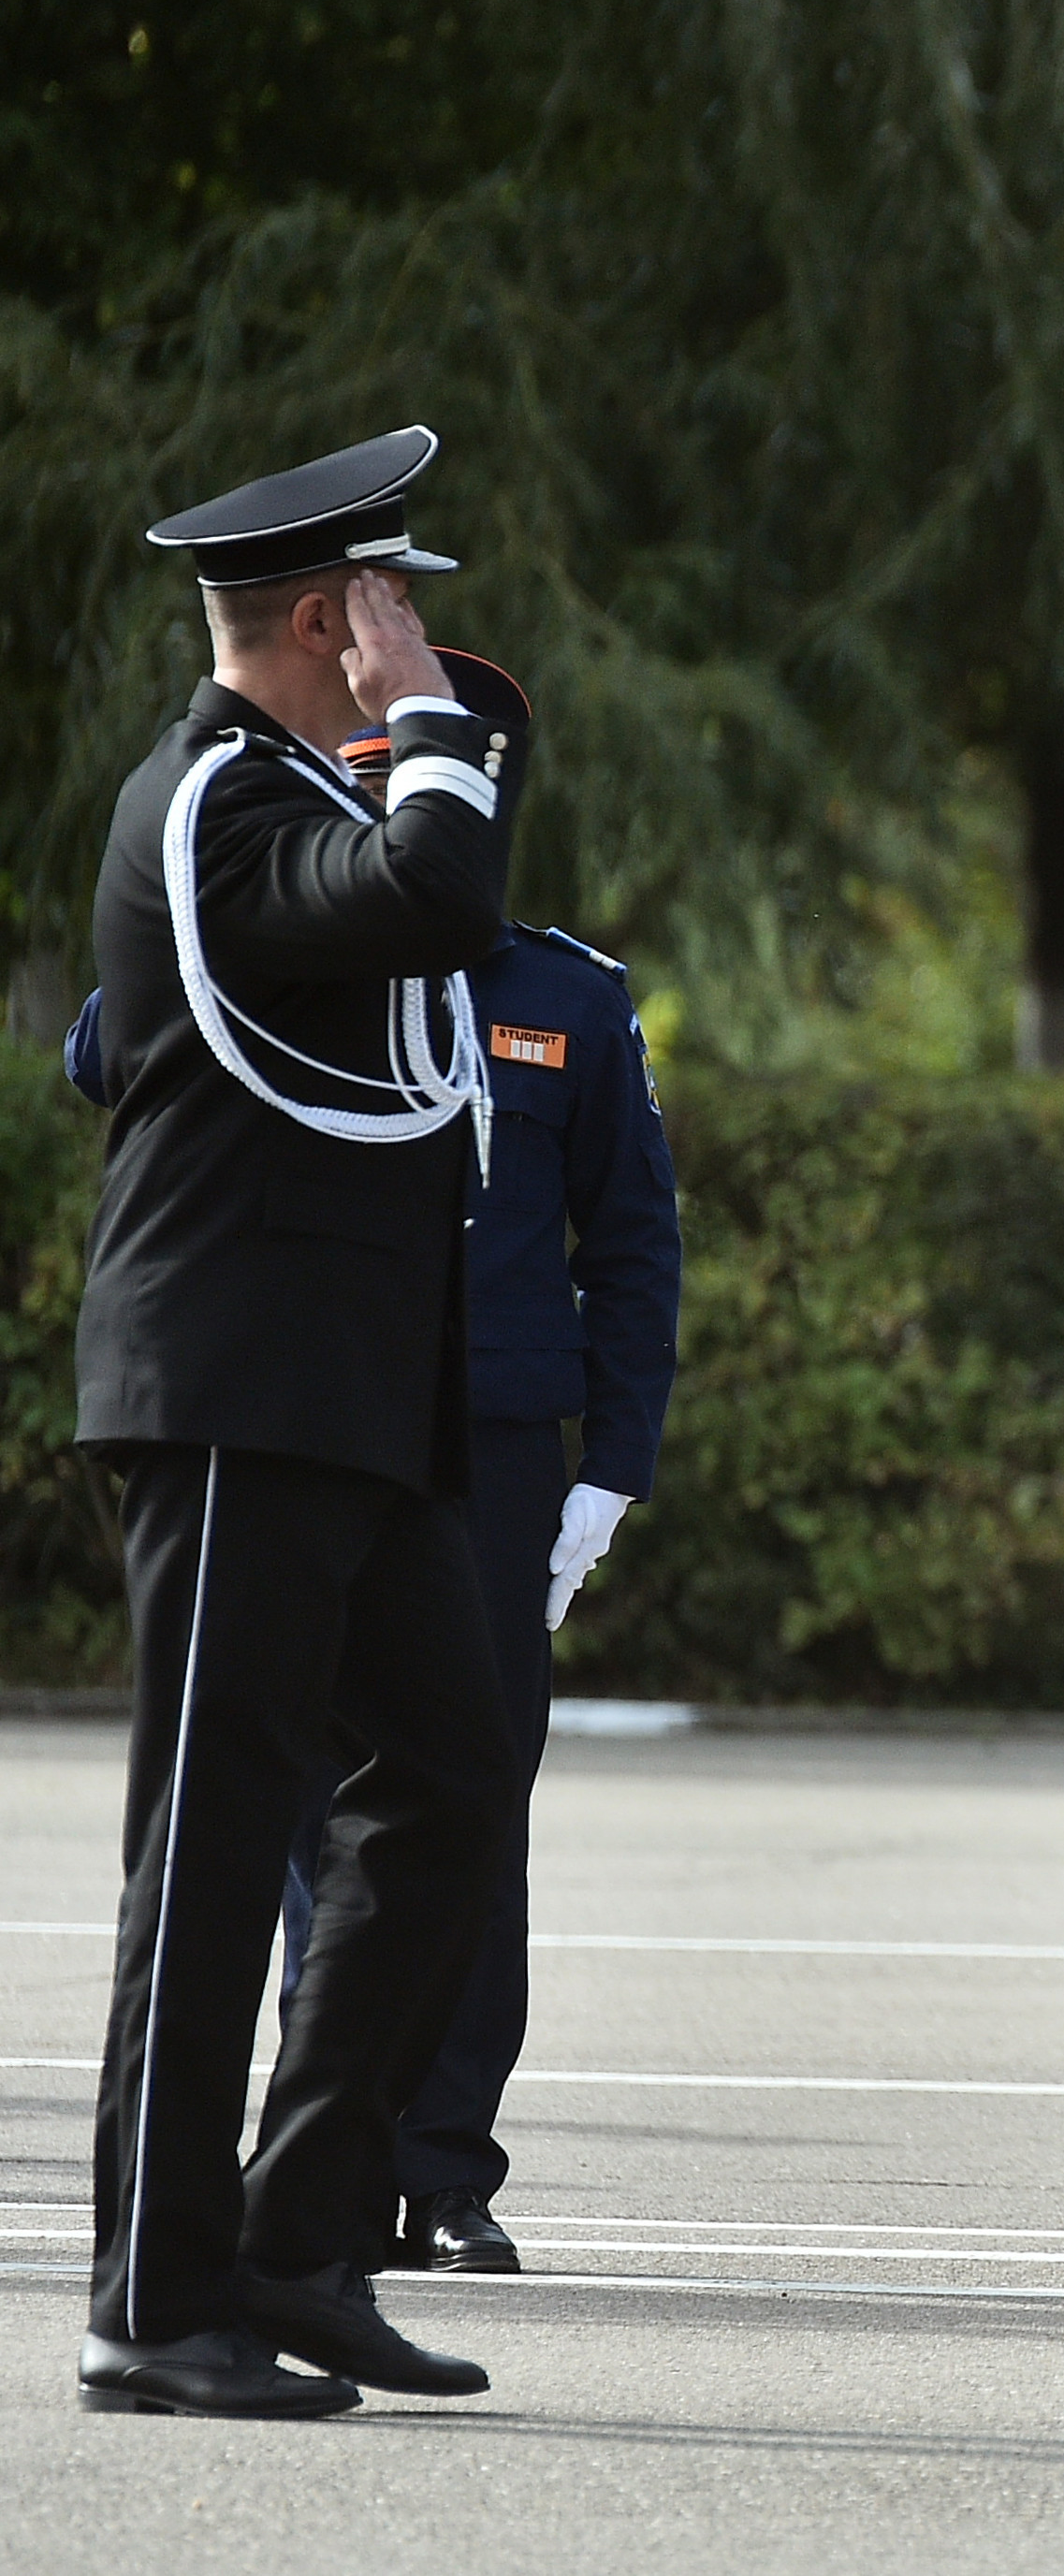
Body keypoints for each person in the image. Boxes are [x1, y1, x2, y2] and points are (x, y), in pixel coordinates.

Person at [64, 722, 682, 2285]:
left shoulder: (565, 993)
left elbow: (630, 1241)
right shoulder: (275, 920)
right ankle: (310, 2167)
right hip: (314, 1412)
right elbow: (103, 1048)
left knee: (463, 1809)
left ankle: (439, 2160)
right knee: (283, 1812)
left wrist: (611, 1461)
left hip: (483, 1448)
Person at [74, 429, 531, 2421]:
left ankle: (297, 2239)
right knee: (214, 1839)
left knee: (446, 1779)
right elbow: (436, 889)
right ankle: (154, 2301)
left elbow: (435, 927)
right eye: (396, 607)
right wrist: (432, 727)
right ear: (337, 622)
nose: (417, 636)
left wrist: (416, 741)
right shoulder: (215, 805)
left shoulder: (282, 797)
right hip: (241, 1390)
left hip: (348, 1406)